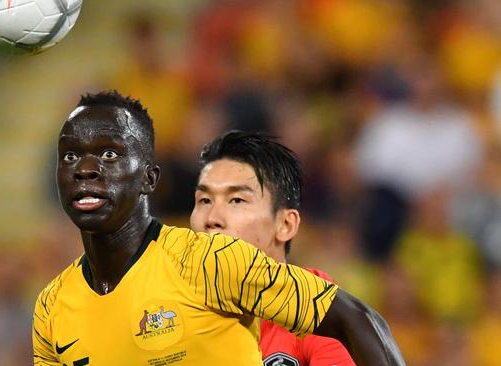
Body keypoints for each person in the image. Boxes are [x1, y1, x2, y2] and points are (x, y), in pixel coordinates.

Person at [32, 90, 405, 365]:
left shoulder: (208, 261)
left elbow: (357, 318)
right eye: (69, 155)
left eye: (110, 153)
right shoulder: (51, 309)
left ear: (149, 178)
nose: (85, 168)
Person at [189, 131, 362, 365]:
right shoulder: (163, 309)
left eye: (236, 200)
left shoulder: (312, 304)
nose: (212, 218)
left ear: (285, 225)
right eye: (204, 200)